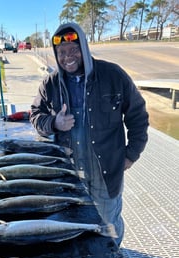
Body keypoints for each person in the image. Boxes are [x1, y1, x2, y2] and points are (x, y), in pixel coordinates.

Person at [30, 22, 149, 246]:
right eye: (62, 53)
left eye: (74, 49)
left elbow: (138, 117)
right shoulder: (50, 83)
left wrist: (131, 155)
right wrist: (54, 122)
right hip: (68, 174)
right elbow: (35, 116)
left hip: (105, 172)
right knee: (72, 225)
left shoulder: (113, 75)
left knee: (108, 225)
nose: (68, 57)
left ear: (84, 48)